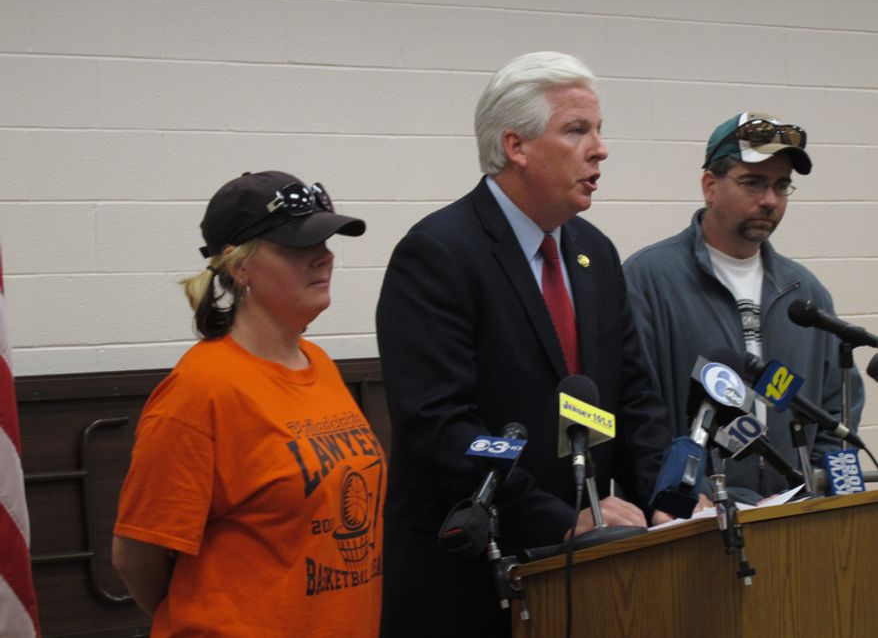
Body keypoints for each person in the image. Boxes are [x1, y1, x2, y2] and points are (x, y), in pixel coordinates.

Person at [375, 51, 673, 638]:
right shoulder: (438, 254)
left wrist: (667, 502)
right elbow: (442, 427)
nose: (600, 148)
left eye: (599, 130)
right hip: (470, 579)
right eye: (576, 130)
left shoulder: (595, 253)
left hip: (584, 573)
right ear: (516, 145)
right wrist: (560, 520)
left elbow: (634, 397)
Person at [112, 171, 385, 637]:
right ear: (239, 267)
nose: (324, 256)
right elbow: (137, 556)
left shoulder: (317, 363)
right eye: (298, 247)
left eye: (327, 241)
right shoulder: (202, 388)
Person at [624, 112, 865, 503]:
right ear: (710, 186)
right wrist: (691, 494)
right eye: (753, 183)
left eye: (781, 186)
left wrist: (813, 485)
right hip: (692, 521)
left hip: (793, 521)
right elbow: (636, 411)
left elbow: (837, 407)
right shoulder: (648, 280)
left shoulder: (804, 294)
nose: (769, 200)